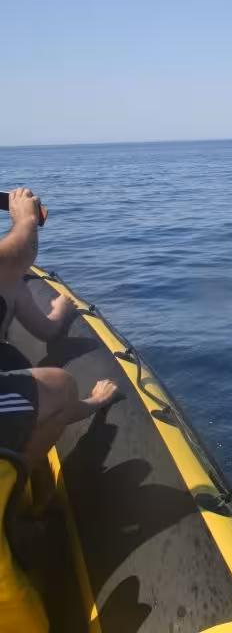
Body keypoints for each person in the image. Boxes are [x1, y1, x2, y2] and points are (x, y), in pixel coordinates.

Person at [0, 187, 118, 470]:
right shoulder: (10, 281)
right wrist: (26, 220)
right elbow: (19, 256)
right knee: (61, 385)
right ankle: (12, 486)